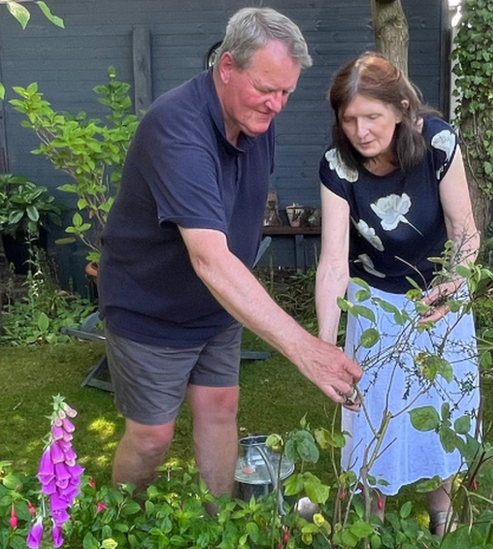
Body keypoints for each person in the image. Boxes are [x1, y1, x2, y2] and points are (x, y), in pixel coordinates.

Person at [98, 8, 362, 499]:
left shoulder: (256, 119)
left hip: (219, 306)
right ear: (226, 67)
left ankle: (219, 526)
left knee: (221, 409)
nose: (277, 105)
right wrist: (306, 349)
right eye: (267, 89)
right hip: (152, 307)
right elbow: (209, 258)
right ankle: (118, 524)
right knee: (153, 437)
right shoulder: (176, 128)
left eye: (286, 92)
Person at [315, 52, 480, 534]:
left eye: (372, 116)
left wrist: (458, 280)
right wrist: (324, 345)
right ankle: (368, 519)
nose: (360, 131)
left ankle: (441, 513)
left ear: (403, 108)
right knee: (371, 418)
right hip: (372, 303)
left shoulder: (438, 143)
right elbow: (331, 263)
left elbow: (464, 229)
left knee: (445, 405)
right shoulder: (336, 166)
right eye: (349, 119)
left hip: (437, 299)